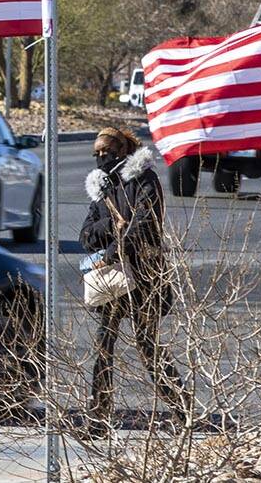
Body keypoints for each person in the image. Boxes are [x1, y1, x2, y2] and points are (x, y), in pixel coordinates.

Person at [79, 126, 184, 426]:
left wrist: (114, 249)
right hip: (115, 280)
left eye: (107, 152)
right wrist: (112, 231)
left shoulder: (144, 179)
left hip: (146, 276)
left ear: (122, 150)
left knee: (147, 345)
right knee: (103, 344)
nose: (102, 158)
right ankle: (98, 418)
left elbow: (147, 224)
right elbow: (86, 235)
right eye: (97, 154)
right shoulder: (102, 189)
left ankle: (182, 409)